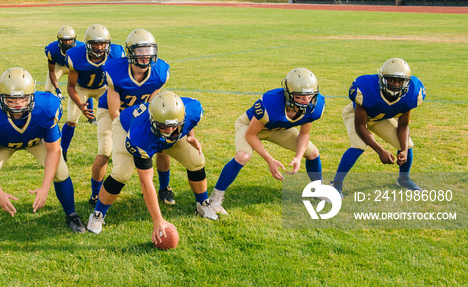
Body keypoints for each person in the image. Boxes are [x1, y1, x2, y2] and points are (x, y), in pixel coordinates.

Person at [0, 67, 86, 238]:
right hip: (3, 144)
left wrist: (45, 187)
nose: (18, 104)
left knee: (61, 171)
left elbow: (54, 150)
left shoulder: (47, 108)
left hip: (36, 141)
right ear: (1, 97)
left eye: (23, 98)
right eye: (11, 100)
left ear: (32, 95)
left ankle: (72, 215)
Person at [86, 91, 218, 243]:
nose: (169, 130)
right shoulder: (139, 135)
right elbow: (146, 181)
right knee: (121, 173)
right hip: (126, 129)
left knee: (196, 159)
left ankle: (202, 203)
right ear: (153, 120)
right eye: (163, 126)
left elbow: (188, 122)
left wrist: (190, 136)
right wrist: (158, 219)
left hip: (161, 132)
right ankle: (98, 214)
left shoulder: (192, 109)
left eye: (174, 126)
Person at [210, 68, 325, 215]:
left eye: (309, 96)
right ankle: (215, 198)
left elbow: (305, 133)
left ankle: (318, 189)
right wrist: (270, 160)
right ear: (288, 93)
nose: (306, 101)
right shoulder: (271, 103)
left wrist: (298, 156)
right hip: (250, 126)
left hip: (279, 128)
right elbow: (251, 135)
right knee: (243, 156)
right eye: (300, 97)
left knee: (312, 152)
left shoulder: (316, 105)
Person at [88, 28, 174, 208]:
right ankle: (96, 192)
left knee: (162, 146)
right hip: (113, 112)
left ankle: (165, 187)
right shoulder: (115, 71)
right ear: (130, 52)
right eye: (140, 51)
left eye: (148, 50)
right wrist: (132, 134)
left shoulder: (159, 72)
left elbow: (153, 102)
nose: (145, 56)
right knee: (105, 151)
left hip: (142, 112)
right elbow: (114, 113)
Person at [330, 58, 425, 196]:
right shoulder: (367, 90)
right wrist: (381, 151)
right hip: (356, 115)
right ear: (382, 79)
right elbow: (360, 126)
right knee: (359, 144)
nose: (396, 84)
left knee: (407, 144)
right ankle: (336, 184)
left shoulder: (411, 94)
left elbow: (403, 125)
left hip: (380, 117)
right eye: (391, 80)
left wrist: (403, 150)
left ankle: (403, 179)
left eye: (400, 81)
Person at [60, 24, 125, 161]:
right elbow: (71, 86)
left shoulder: (117, 53)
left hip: (104, 88)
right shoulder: (76, 56)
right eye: (95, 44)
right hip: (81, 88)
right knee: (71, 120)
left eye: (103, 44)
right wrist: (80, 104)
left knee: (118, 117)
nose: (100, 47)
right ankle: (62, 151)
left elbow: (119, 79)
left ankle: (123, 150)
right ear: (87, 44)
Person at [43, 25, 95, 124]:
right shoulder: (52, 50)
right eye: (64, 41)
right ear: (59, 40)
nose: (67, 43)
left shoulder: (81, 48)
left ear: (74, 39)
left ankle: (91, 117)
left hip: (74, 67)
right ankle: (47, 114)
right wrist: (57, 88)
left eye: (70, 40)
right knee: (48, 89)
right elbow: (51, 72)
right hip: (60, 66)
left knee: (86, 88)